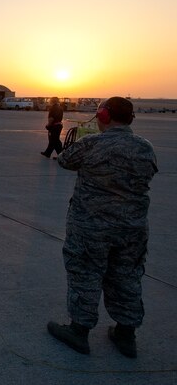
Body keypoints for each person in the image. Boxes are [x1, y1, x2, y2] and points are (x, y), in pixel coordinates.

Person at [47, 97, 157, 358]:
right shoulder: (145, 148)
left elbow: (64, 160)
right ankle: (126, 334)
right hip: (132, 229)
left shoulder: (92, 144)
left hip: (92, 227)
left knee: (85, 273)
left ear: (104, 116)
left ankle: (79, 331)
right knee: (127, 276)